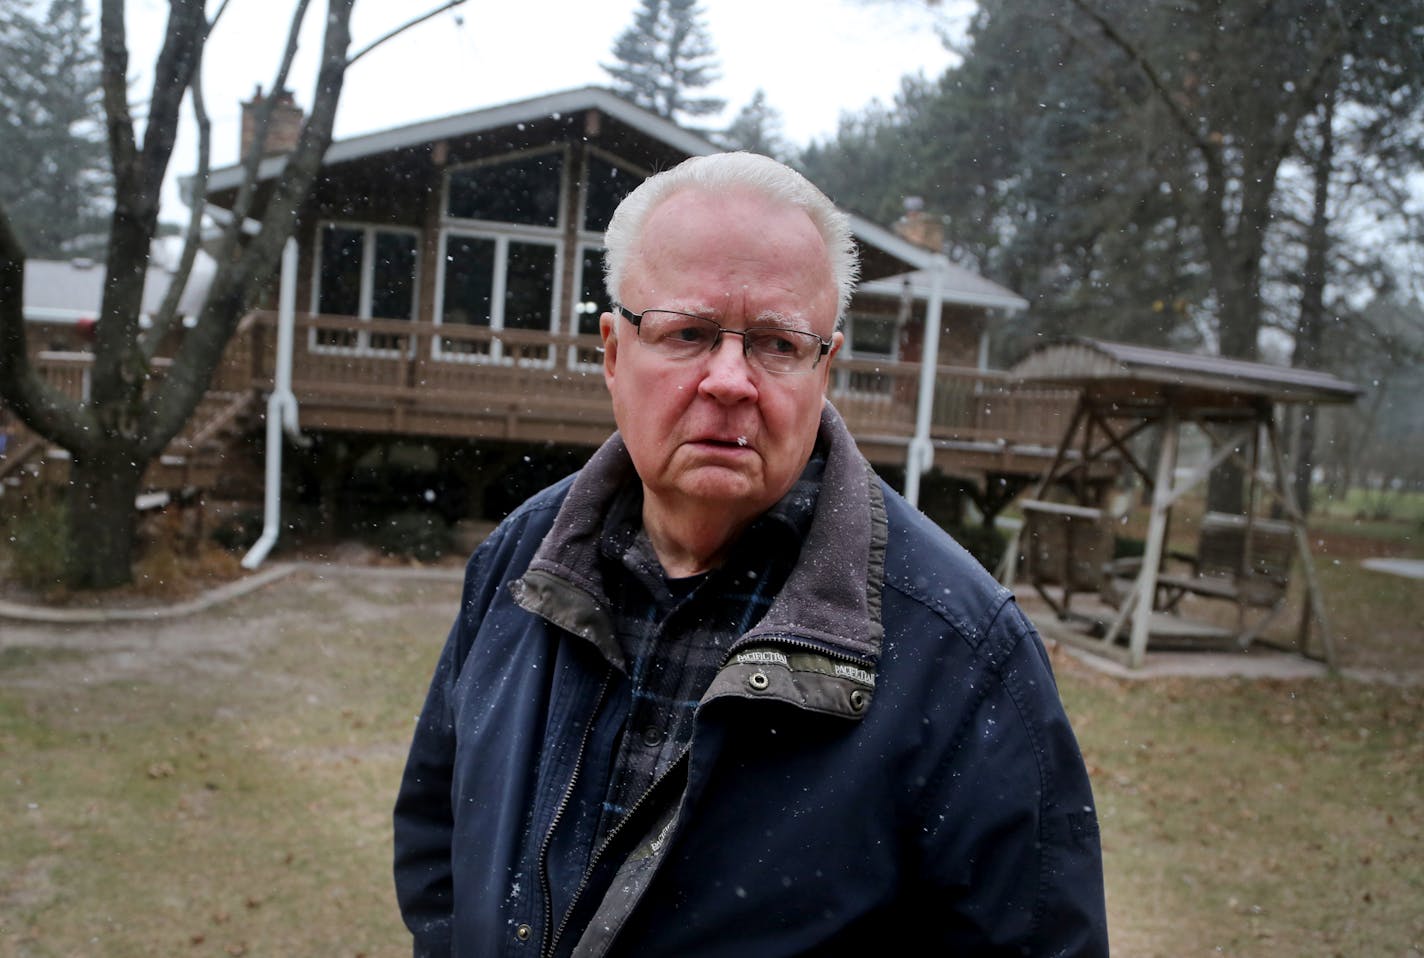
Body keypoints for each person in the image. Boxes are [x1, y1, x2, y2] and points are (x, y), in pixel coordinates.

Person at [393, 152, 1109, 956]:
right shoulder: (521, 562)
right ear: (612, 352)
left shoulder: (965, 651)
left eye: (776, 343)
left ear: (824, 367)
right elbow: (439, 838)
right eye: (689, 332)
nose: (730, 380)